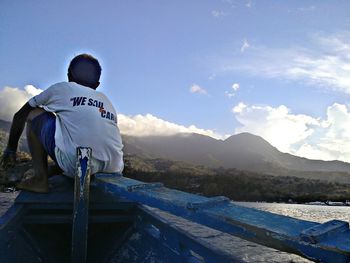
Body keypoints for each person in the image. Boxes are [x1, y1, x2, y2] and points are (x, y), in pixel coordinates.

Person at [0, 54, 124, 193]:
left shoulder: (62, 89)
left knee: (33, 113)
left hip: (78, 165)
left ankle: (40, 179)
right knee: (69, 128)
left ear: (69, 76)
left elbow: (20, 115)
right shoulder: (106, 100)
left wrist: (10, 150)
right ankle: (56, 170)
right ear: (97, 84)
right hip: (114, 168)